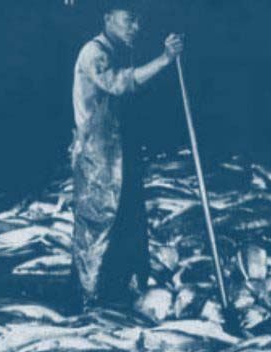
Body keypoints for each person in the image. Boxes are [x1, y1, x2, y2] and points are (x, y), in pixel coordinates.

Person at [70, 0, 183, 309]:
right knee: (98, 227)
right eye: (129, 19)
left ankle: (121, 294)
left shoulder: (120, 52)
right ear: (108, 17)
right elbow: (119, 83)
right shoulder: (94, 52)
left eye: (138, 21)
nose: (136, 27)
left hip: (120, 154)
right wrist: (164, 59)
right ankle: (90, 300)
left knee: (126, 223)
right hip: (98, 159)